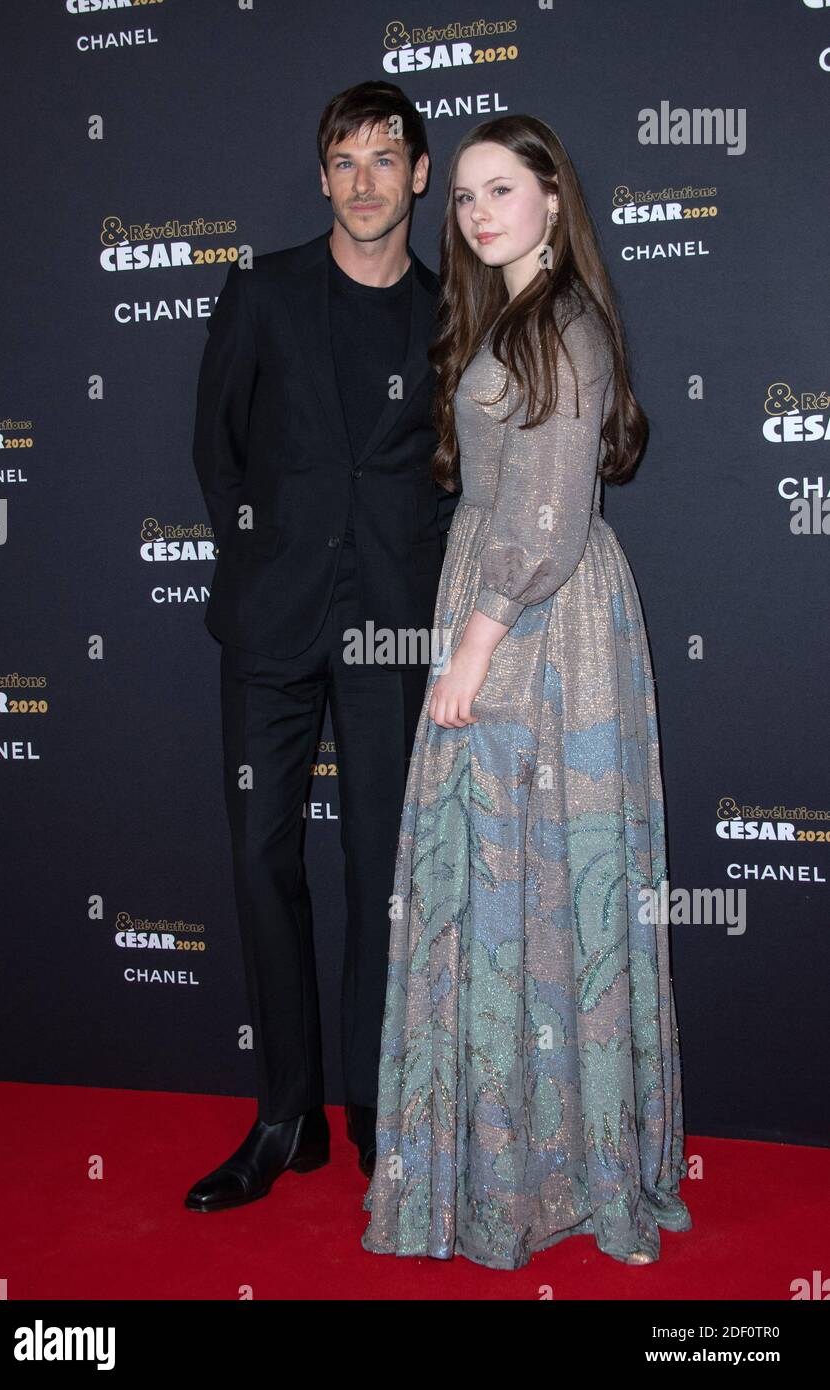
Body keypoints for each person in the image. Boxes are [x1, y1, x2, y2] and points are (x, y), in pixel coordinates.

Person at [360, 114, 692, 1268]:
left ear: (554, 198)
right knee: (503, 882)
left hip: (535, 628)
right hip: (502, 609)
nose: (476, 211)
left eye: (500, 188)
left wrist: (470, 647)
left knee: (526, 877)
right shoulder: (505, 314)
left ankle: (551, 1169)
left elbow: (547, 515)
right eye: (460, 196)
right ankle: (504, 1159)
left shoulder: (561, 323)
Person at [186, 81, 459, 1212]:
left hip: (391, 624)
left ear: (418, 178)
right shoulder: (261, 290)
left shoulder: (451, 317)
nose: (362, 181)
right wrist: (261, 563)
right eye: (341, 160)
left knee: (379, 876)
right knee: (262, 860)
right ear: (321, 179)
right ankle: (284, 1111)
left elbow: (450, 478)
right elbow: (217, 446)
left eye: (382, 160)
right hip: (271, 622)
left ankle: (374, 1108)